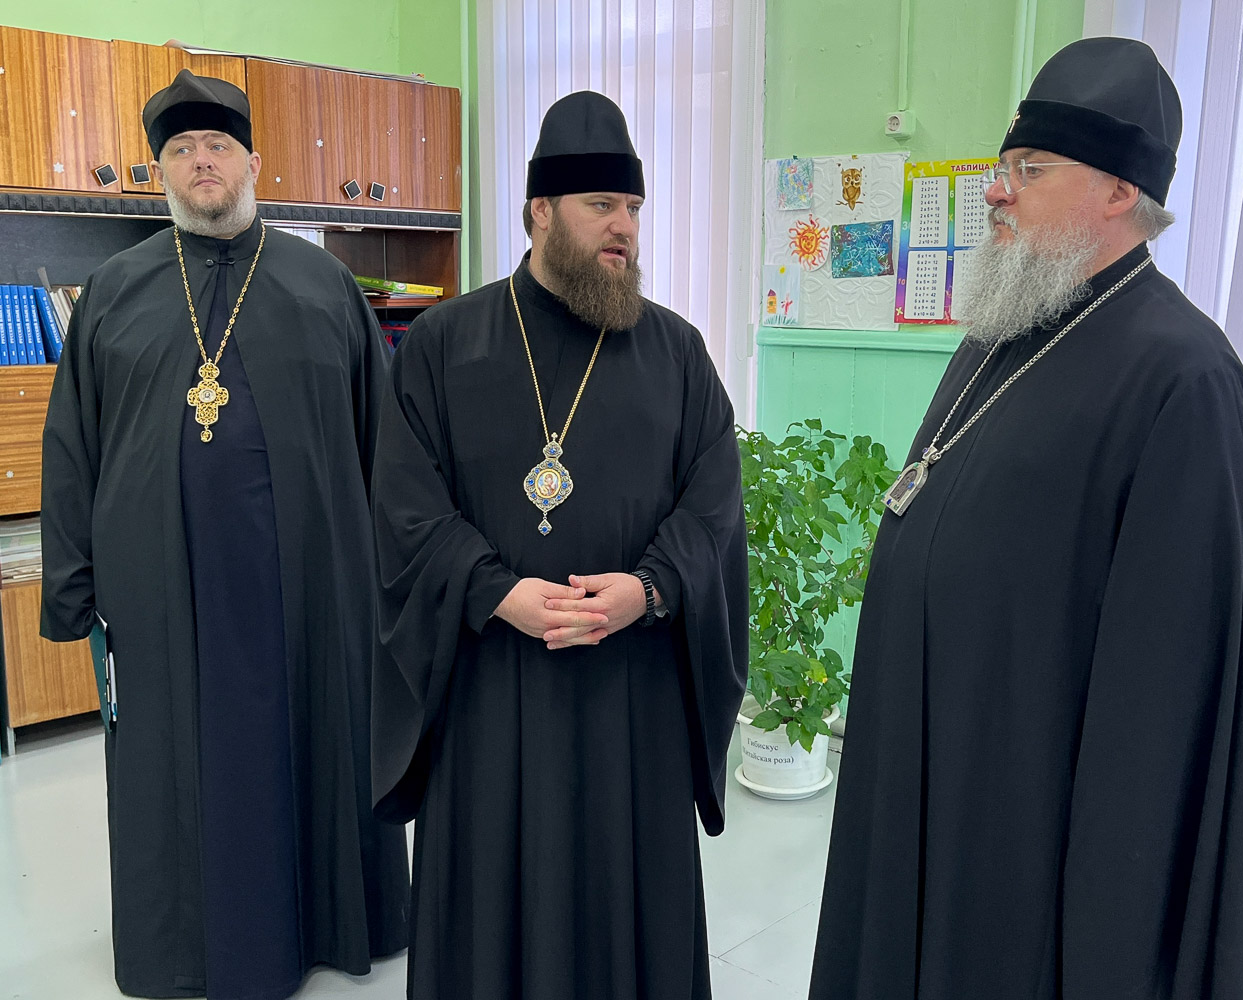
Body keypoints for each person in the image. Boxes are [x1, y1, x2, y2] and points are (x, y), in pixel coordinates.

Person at [809, 38, 1243, 1000]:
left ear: (1119, 191)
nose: (994, 191)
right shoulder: (1004, 327)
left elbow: (1164, 697)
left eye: (1029, 169)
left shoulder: (1187, 380)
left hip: (1025, 818)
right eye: (1002, 166)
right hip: (925, 765)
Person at [368, 90, 748, 999]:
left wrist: (647, 589)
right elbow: (404, 503)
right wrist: (494, 589)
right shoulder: (442, 343)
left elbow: (713, 505)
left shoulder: (677, 352)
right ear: (540, 209)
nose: (625, 229)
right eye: (601, 205)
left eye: (633, 208)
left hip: (632, 690)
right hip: (493, 683)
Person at [40, 69, 409, 999]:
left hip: (312, 584)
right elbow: (72, 447)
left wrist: (397, 582)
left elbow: (385, 445)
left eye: (217, 145)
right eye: (180, 148)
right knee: (173, 767)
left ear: (253, 161)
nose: (201, 161)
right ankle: (185, 950)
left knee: (315, 743)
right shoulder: (112, 293)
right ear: (160, 171)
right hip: (160, 588)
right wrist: (73, 588)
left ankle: (327, 926)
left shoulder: (326, 287)